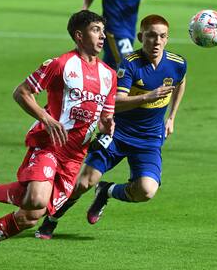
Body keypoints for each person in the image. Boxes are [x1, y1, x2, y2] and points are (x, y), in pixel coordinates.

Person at [0, 10, 117, 267]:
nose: (102, 35)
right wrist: (46, 119)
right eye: (95, 30)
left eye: (102, 30)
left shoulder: (109, 75)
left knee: (30, 217)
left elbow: (104, 118)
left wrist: (106, 126)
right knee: (35, 199)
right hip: (50, 144)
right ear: (79, 36)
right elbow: (21, 92)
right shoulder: (59, 65)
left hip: (74, 156)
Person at [35, 14, 187, 239]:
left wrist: (172, 117)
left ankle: (107, 190)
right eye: (151, 36)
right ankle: (51, 220)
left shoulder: (177, 63)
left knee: (146, 191)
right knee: (85, 182)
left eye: (162, 36)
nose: (156, 41)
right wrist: (148, 97)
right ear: (140, 36)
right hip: (118, 134)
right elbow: (115, 103)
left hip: (150, 138)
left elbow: (180, 82)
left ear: (167, 38)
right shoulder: (130, 64)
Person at [83, 0, 165, 70]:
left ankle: (97, 80)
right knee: (128, 63)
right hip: (114, 28)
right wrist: (85, 8)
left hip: (130, 29)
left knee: (111, 63)